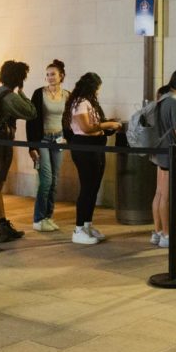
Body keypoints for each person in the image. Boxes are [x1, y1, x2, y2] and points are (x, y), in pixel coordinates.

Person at [0, 60, 37, 242]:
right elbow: (31, 112)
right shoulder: (10, 97)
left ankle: (2, 224)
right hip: (0, 147)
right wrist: (22, 92)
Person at [64, 72, 122, 245]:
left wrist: (105, 125)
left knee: (94, 187)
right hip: (84, 148)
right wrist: (108, 124)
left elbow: (94, 126)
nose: (98, 92)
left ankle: (87, 225)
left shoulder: (88, 102)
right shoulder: (80, 103)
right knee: (87, 187)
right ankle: (79, 228)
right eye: (97, 89)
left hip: (95, 147)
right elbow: (86, 127)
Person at [27, 59, 69, 233]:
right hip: (42, 139)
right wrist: (32, 147)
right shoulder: (39, 93)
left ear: (62, 76)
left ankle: (48, 217)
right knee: (46, 180)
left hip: (59, 139)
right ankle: (38, 218)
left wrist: (67, 137)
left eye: (53, 74)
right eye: (47, 74)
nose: (50, 77)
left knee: (55, 181)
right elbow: (31, 119)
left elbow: (68, 119)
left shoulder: (67, 94)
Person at [152, 68, 176, 249]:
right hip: (170, 152)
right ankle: (168, 235)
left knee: (159, 194)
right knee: (166, 196)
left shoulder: (162, 99)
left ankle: (158, 231)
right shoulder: (175, 102)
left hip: (159, 151)